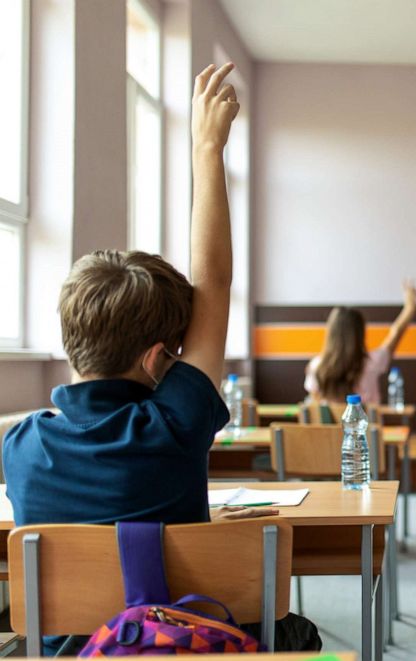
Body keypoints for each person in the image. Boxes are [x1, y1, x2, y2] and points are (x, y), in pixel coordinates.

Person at [2, 64, 317, 652]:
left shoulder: (20, 447)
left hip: (71, 653)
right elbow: (214, 282)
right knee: (296, 631)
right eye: (174, 353)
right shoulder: (172, 425)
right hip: (173, 645)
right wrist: (206, 146)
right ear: (154, 360)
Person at [305, 279, 416, 404]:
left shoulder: (317, 366)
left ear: (330, 334)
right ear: (361, 334)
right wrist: (410, 307)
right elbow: (396, 333)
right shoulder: (371, 362)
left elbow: (313, 407)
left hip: (329, 424)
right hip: (367, 424)